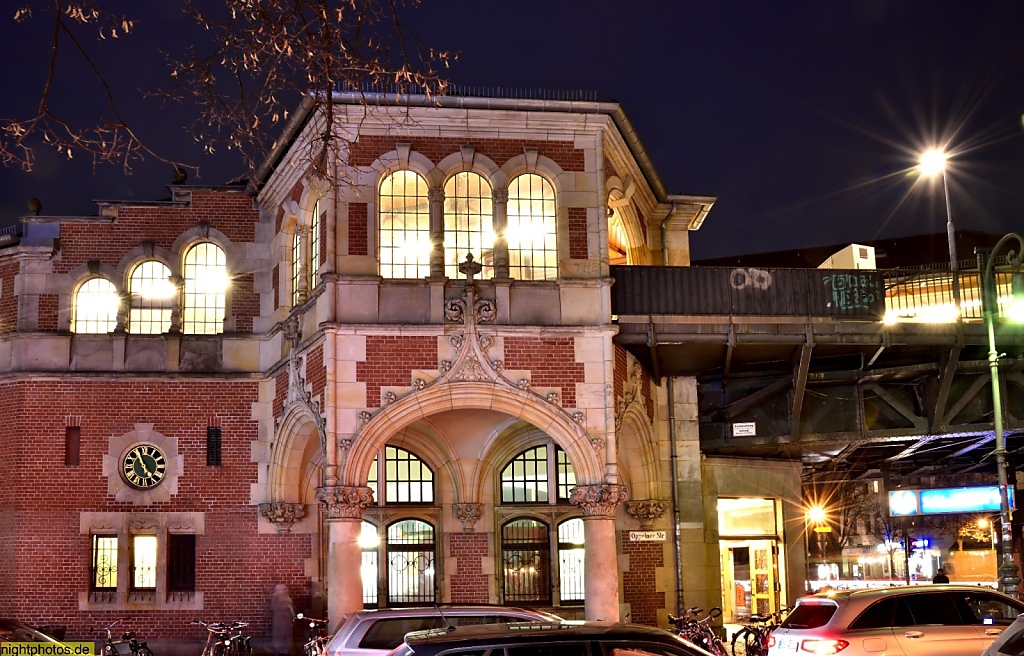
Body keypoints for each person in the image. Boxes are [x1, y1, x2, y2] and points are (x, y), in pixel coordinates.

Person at [271, 583, 295, 656]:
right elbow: (273, 608)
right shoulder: (275, 598)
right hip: (278, 618)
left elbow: (291, 609)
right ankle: (279, 649)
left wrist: (293, 618)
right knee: (278, 634)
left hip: (287, 619)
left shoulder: (288, 598)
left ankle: (286, 649)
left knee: (287, 634)